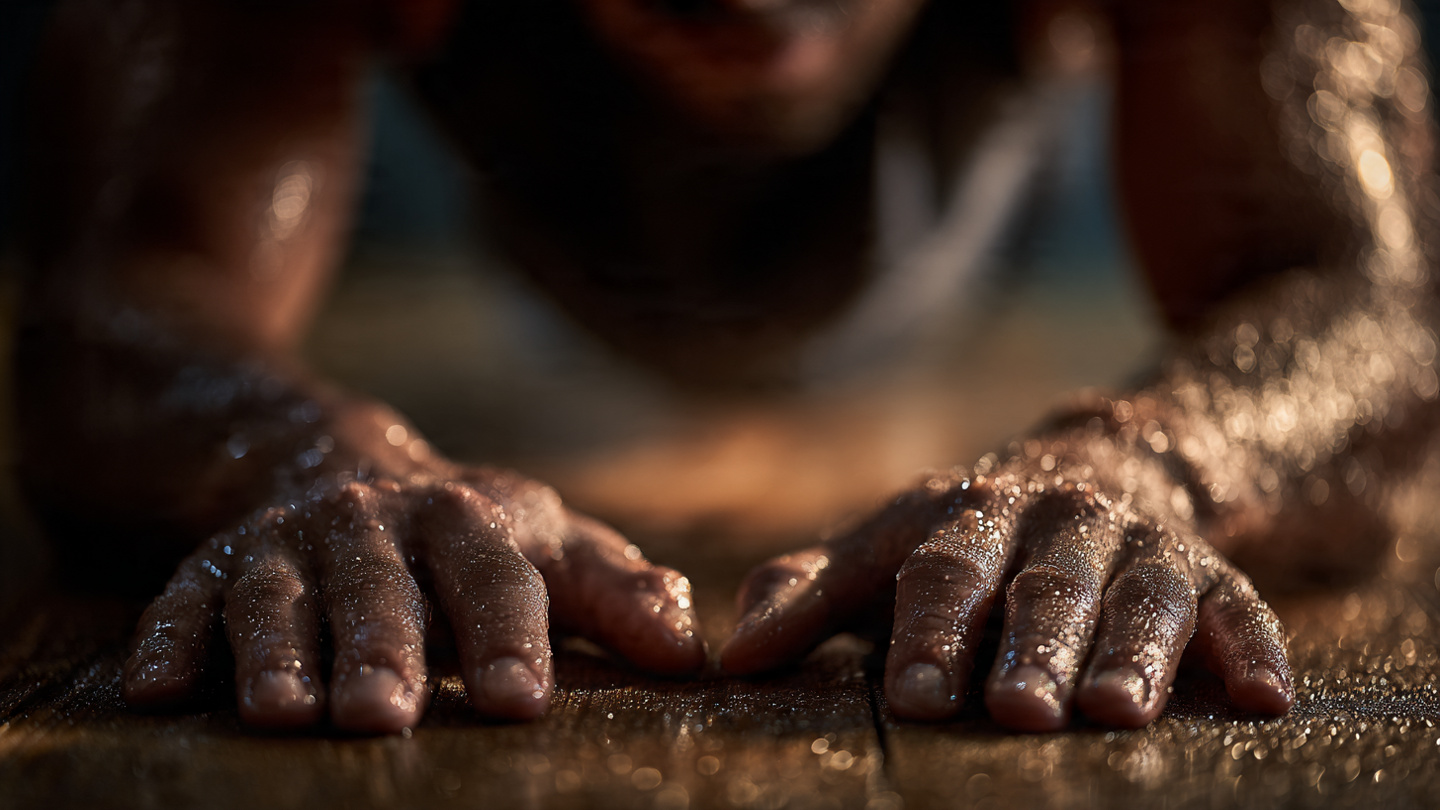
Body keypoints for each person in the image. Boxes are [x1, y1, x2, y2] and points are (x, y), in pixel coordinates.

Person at [15, 0, 1436, 734]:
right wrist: (309, 456)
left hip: (1012, 190)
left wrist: (1153, 460)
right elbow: (114, 305)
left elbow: (1374, 306)